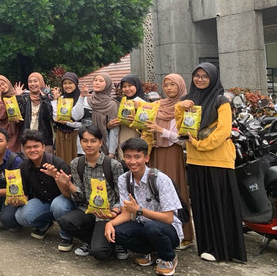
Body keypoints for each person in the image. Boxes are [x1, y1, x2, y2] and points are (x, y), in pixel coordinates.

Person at [175, 62, 247, 262]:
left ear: (213, 78)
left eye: (204, 76)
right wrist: (179, 109)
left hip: (218, 160)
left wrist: (198, 144)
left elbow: (223, 132)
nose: (200, 79)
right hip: (196, 160)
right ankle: (208, 246)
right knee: (201, 204)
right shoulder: (188, 100)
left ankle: (223, 249)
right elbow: (183, 129)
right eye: (197, 75)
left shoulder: (221, 100)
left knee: (219, 204)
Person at [104, 138, 182, 275]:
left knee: (152, 227)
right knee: (118, 231)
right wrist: (110, 223)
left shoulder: (161, 179)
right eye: (128, 157)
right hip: (144, 226)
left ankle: (169, 257)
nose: (132, 161)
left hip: (168, 230)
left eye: (137, 157)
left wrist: (139, 211)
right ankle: (148, 252)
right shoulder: (124, 179)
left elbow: (169, 218)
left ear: (147, 157)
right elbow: (126, 213)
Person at [58, 125, 124, 260]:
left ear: (100, 142)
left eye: (93, 141)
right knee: (65, 221)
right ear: (80, 142)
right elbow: (80, 197)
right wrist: (69, 184)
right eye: (85, 141)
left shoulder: (113, 165)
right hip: (88, 210)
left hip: (108, 214)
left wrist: (115, 211)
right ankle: (92, 241)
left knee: (100, 253)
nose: (89, 145)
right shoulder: (77, 163)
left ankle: (114, 242)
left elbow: (121, 195)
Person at [145, 73, 194, 250]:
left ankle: (183, 235)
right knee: (154, 192)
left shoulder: (185, 106)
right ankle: (158, 233)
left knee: (175, 191)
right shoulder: (159, 105)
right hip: (156, 151)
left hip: (172, 152)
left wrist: (161, 130)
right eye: (166, 85)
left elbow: (183, 138)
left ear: (180, 86)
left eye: (172, 85)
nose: (168, 88)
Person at [12, 130, 77, 252]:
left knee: (58, 205)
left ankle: (66, 236)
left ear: (43, 147)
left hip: (64, 202)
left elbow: (69, 195)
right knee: (20, 216)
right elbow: (25, 195)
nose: (32, 150)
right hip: (44, 202)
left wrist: (55, 177)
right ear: (24, 149)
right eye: (28, 147)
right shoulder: (24, 167)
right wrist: (16, 201)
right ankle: (44, 224)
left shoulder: (58, 163)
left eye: (36, 146)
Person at [51, 72, 85, 164]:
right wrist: (55, 100)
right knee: (62, 163)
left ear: (76, 84)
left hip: (76, 136)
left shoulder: (82, 99)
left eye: (70, 83)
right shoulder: (61, 98)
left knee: (76, 163)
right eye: (65, 83)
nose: (67, 86)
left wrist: (68, 123)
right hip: (61, 136)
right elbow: (56, 117)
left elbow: (81, 121)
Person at [15, 72, 54, 152]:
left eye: (35, 81)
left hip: (44, 139)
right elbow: (20, 116)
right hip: (27, 137)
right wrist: (18, 97)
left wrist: (44, 99)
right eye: (30, 81)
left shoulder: (48, 98)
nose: (32, 84)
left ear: (41, 82)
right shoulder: (25, 98)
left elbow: (48, 116)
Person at [111, 75, 146, 160]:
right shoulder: (120, 102)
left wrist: (136, 120)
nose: (127, 89)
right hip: (122, 137)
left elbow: (149, 126)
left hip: (138, 138)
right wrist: (110, 125)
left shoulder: (145, 103)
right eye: (124, 86)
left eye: (130, 85)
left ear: (137, 86)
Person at [87, 73, 119, 157]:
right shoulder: (88, 100)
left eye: (101, 81)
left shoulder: (111, 104)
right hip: (87, 144)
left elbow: (114, 130)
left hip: (105, 146)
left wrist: (111, 152)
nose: (97, 83)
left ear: (107, 84)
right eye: (95, 80)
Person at [0, 74, 21, 152]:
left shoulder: (17, 95)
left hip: (17, 130)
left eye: (3, 84)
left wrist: (18, 97)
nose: (2, 87)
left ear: (8, 83)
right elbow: (1, 115)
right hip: (5, 131)